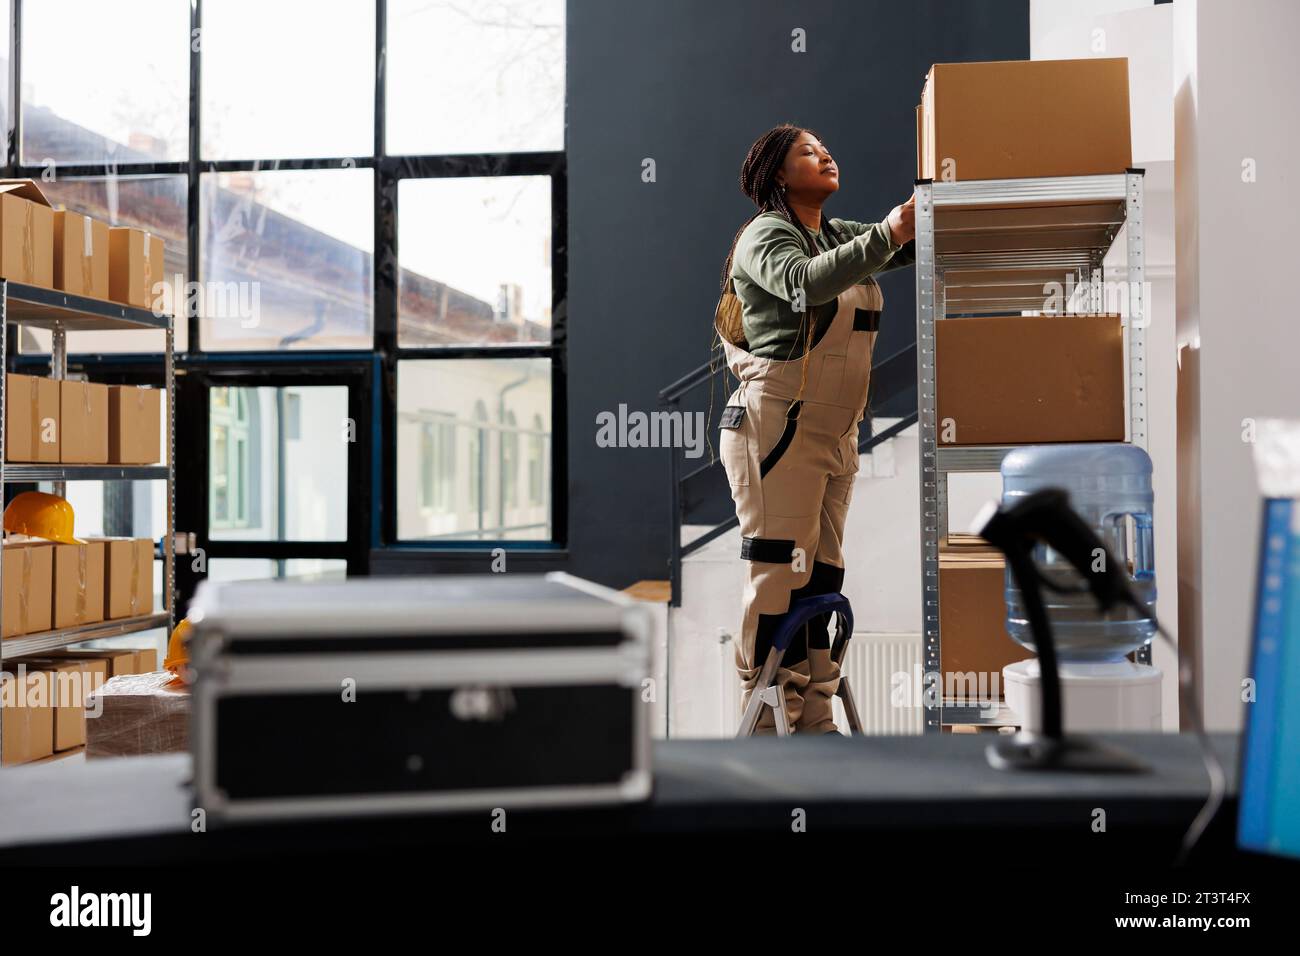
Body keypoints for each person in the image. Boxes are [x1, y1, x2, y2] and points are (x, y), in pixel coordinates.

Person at [714, 123, 915, 734]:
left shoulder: (832, 233)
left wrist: (926, 216)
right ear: (778, 172)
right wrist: (887, 232)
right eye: (808, 151)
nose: (825, 154)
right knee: (780, 574)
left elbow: (899, 248)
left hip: (835, 434)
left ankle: (815, 713)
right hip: (777, 427)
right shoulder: (765, 237)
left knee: (822, 576)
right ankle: (773, 718)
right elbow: (804, 284)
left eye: (827, 147)